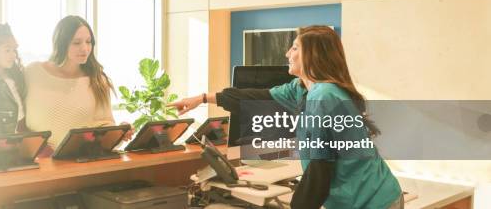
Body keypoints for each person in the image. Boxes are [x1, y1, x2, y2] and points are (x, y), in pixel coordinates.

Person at [169, 26, 404, 209]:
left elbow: (319, 169)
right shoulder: (302, 89)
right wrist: (201, 98)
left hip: (372, 201)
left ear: (311, 54)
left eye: (294, 48)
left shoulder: (322, 97)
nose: (287, 53)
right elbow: (254, 97)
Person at [25, 15, 130, 148]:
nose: (85, 49)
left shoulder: (97, 80)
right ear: (61, 43)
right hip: (39, 163)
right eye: (77, 43)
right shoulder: (33, 73)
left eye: (88, 42)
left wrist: (120, 132)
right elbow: (18, 119)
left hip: (81, 163)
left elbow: (105, 127)